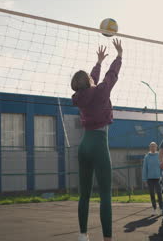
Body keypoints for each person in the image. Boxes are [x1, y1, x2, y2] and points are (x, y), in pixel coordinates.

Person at [71, 38, 123, 241]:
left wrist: (98, 63)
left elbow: (90, 83)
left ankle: (83, 236)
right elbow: (112, 76)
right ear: (89, 83)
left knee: (84, 195)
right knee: (105, 196)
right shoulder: (100, 91)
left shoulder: (80, 96)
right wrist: (119, 56)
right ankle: (107, 239)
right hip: (99, 145)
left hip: (84, 146)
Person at [142, 142, 163, 216]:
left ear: (156, 147)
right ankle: (154, 209)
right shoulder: (147, 157)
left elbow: (162, 166)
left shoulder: (159, 155)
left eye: (154, 146)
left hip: (158, 178)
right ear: (149, 147)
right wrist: (144, 180)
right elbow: (144, 168)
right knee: (152, 194)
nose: (153, 147)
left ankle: (161, 209)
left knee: (159, 193)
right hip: (149, 179)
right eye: (151, 146)